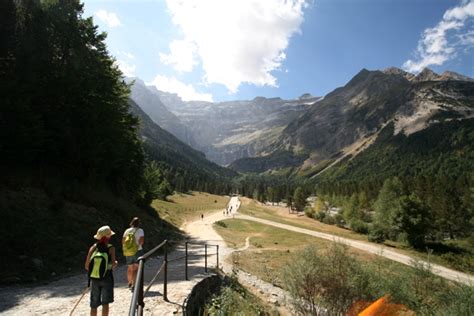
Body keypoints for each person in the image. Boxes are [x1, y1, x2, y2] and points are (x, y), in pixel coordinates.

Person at [85, 225, 118, 316]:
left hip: (94, 279)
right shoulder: (111, 248)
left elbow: (87, 266)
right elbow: (113, 265)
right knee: (105, 303)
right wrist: (115, 263)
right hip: (107, 278)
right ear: (108, 236)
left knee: (94, 305)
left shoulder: (93, 248)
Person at [122, 217, 144, 291]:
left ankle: (129, 282)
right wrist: (137, 246)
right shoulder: (140, 230)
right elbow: (141, 241)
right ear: (139, 223)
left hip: (128, 252)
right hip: (138, 251)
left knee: (130, 268)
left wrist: (127, 248)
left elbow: (123, 241)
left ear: (131, 223)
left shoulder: (127, 230)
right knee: (136, 269)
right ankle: (134, 285)